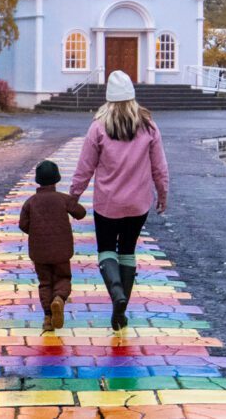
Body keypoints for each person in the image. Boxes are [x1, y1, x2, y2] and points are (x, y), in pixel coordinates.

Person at [70, 70, 169, 330]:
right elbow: (159, 166)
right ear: (132, 97)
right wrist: (163, 193)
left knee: (106, 250)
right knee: (127, 251)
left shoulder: (98, 127)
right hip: (138, 204)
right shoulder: (148, 126)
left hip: (107, 204)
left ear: (109, 99)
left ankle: (116, 293)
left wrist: (73, 196)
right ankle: (120, 311)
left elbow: (85, 167)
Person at [19, 160, 86, 331]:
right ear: (57, 179)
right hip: (62, 250)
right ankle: (59, 299)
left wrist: (35, 232)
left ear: (37, 180)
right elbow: (81, 213)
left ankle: (48, 318)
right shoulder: (63, 199)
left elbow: (23, 224)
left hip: (39, 251)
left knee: (45, 282)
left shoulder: (30, 202)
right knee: (63, 278)